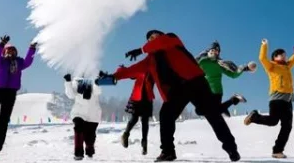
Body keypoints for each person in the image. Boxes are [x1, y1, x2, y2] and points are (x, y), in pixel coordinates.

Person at [99, 30, 241, 162]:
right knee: (166, 115)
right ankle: (168, 152)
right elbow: (131, 70)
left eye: (154, 36)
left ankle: (231, 148)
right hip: (177, 90)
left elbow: (162, 42)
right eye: (149, 39)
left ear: (160, 35)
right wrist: (113, 76)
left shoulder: (172, 39)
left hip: (194, 81)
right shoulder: (150, 60)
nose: (152, 39)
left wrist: (141, 49)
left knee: (213, 114)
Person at [243, 38, 294, 159]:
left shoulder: (287, 66)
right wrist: (264, 45)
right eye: (282, 55)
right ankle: (254, 117)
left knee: (287, 127)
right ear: (275, 57)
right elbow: (262, 59)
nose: (285, 57)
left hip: (288, 100)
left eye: (285, 55)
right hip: (277, 98)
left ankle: (277, 150)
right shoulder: (271, 66)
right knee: (273, 121)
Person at [0, 35, 36, 161]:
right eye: (8, 50)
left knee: (3, 123)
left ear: (16, 52)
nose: (10, 52)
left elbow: (28, 61)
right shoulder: (1, 62)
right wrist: (1, 44)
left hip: (10, 94)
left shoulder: (20, 63)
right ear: (4, 52)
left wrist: (32, 48)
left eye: (13, 50)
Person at [195, 41, 256, 117]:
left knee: (214, 112)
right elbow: (193, 66)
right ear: (209, 50)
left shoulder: (220, 64)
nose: (214, 52)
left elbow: (233, 75)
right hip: (206, 91)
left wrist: (243, 68)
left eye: (216, 51)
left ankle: (229, 102)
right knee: (199, 111)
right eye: (212, 50)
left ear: (218, 53)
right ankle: (230, 102)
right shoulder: (202, 61)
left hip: (217, 92)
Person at [117, 67, 155, 155]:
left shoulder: (154, 71)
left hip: (146, 98)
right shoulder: (141, 69)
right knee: (135, 119)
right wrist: (121, 69)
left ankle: (144, 143)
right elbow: (130, 72)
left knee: (143, 121)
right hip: (137, 97)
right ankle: (126, 135)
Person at [64, 74, 102, 160]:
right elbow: (71, 95)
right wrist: (68, 82)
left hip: (93, 115)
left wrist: (97, 82)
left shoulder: (93, 80)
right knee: (78, 128)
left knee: (89, 138)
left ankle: (89, 149)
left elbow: (97, 92)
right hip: (79, 113)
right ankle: (78, 153)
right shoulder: (77, 81)